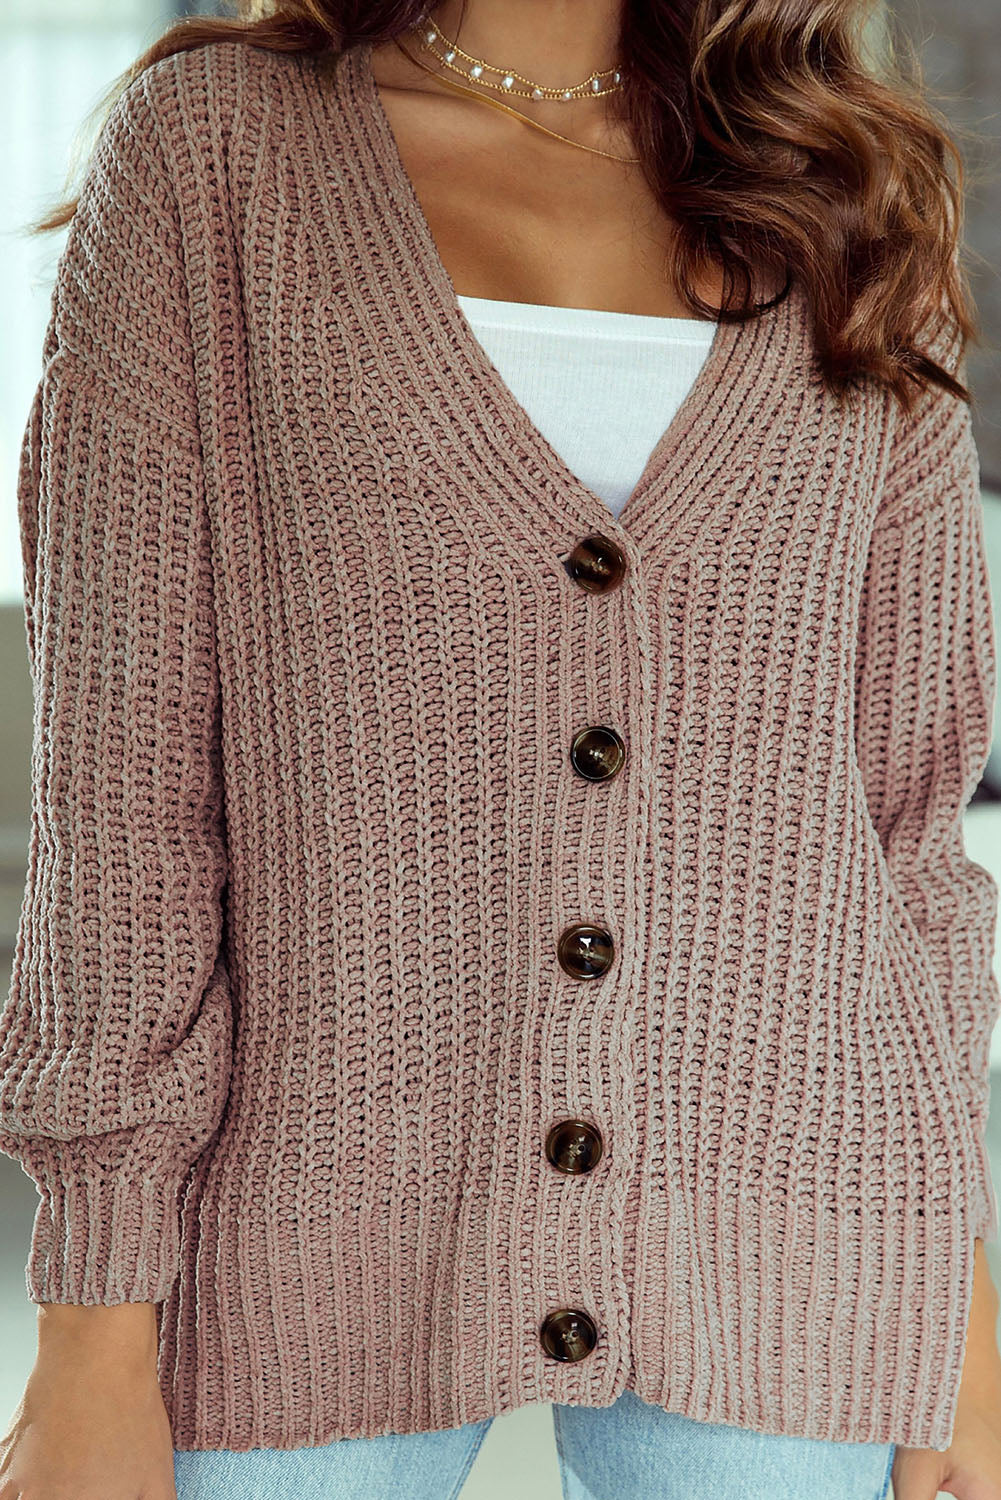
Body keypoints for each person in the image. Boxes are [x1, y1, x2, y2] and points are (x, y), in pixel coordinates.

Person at [1, 1, 1001, 1497]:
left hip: (800, 1220)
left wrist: (958, 1307)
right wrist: (90, 1329)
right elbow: (123, 799)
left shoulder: (848, 183)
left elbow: (904, 835)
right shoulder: (217, 151)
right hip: (303, 1221)